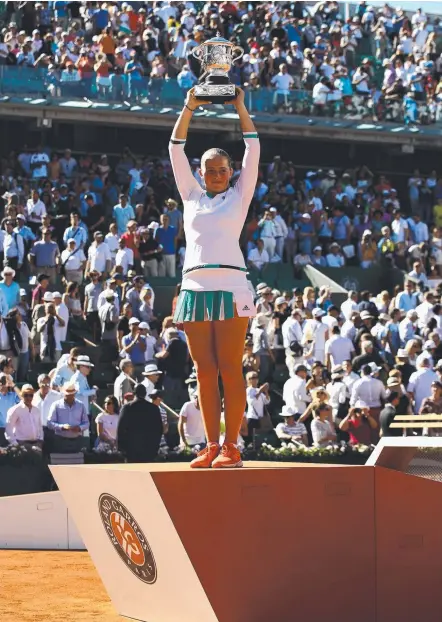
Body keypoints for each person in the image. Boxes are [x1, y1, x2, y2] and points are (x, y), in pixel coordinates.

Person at [169, 86, 259, 468]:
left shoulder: (240, 195)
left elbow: (253, 150)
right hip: (194, 287)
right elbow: (175, 148)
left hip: (231, 286)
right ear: (200, 172)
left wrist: (240, 107)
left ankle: (232, 446)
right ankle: (209, 446)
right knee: (203, 371)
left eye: (224, 170)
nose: (218, 175)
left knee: (229, 367)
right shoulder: (191, 195)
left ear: (231, 173)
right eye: (211, 170)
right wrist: (189, 105)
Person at [117, 383, 163, 462]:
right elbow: (159, 429)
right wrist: (155, 447)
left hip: (131, 449)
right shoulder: (154, 408)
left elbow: (120, 429)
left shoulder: (127, 408)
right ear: (145, 394)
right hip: (149, 449)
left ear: (134, 393)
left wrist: (121, 448)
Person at [47, 383, 89, 453]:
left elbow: (86, 423)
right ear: (64, 394)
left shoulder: (81, 405)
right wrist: (62, 427)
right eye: (67, 395)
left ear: (74, 394)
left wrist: (79, 428)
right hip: (60, 440)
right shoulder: (56, 405)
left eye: (71, 395)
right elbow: (49, 423)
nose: (69, 397)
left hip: (77, 440)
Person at [32, 373, 60, 449]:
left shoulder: (57, 396)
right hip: (38, 430)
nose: (45, 385)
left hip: (52, 430)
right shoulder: (34, 397)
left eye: (48, 383)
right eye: (43, 383)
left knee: (51, 452)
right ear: (39, 384)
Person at [245, 371, 270, 442]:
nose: (255, 379)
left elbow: (267, 401)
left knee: (259, 439)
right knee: (252, 439)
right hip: (252, 417)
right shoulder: (249, 390)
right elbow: (252, 401)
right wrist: (261, 391)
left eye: (256, 377)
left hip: (260, 418)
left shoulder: (258, 390)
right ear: (249, 380)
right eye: (253, 378)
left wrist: (266, 391)